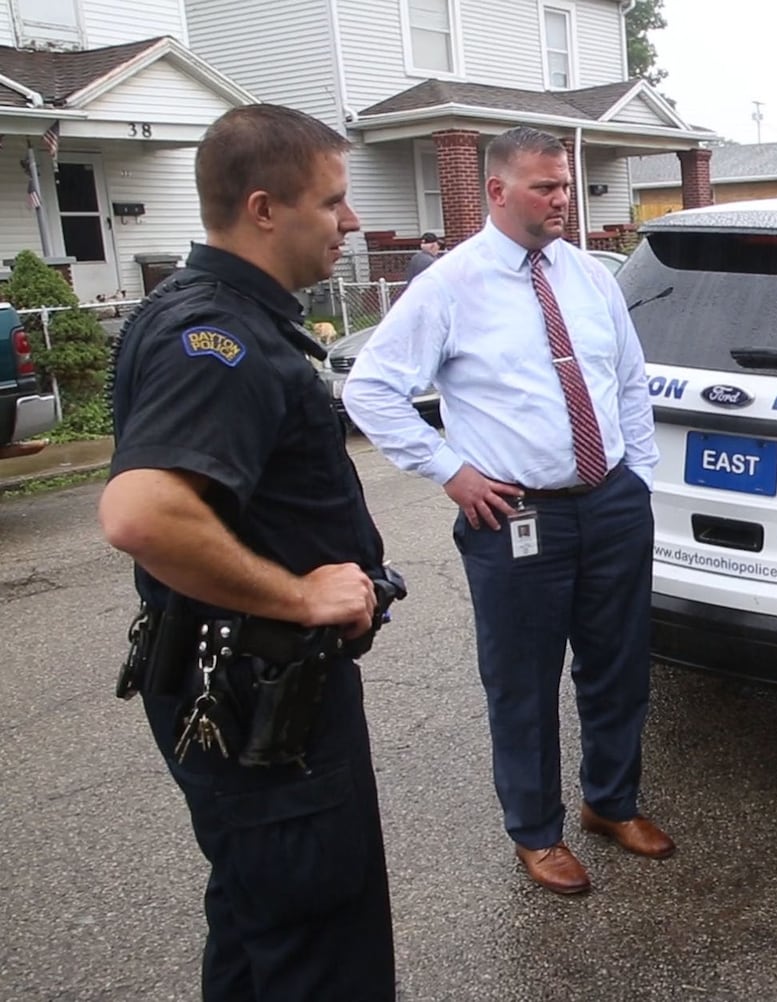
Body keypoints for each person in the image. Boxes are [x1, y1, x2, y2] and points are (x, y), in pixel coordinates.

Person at [98, 104, 396, 998]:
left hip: (235, 693)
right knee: (318, 948)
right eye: (334, 203)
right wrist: (302, 600)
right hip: (264, 704)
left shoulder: (208, 315)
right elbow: (142, 513)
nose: (351, 224)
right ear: (264, 209)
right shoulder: (216, 343)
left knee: (258, 923)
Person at [343, 126, 669, 896]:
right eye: (544, 187)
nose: (561, 199)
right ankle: (535, 831)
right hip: (518, 516)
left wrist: (639, 479)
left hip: (612, 502)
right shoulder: (448, 287)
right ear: (497, 190)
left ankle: (610, 803)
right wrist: (450, 470)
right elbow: (370, 389)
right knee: (522, 681)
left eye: (564, 184)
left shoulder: (589, 277)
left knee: (619, 666)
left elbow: (628, 380)